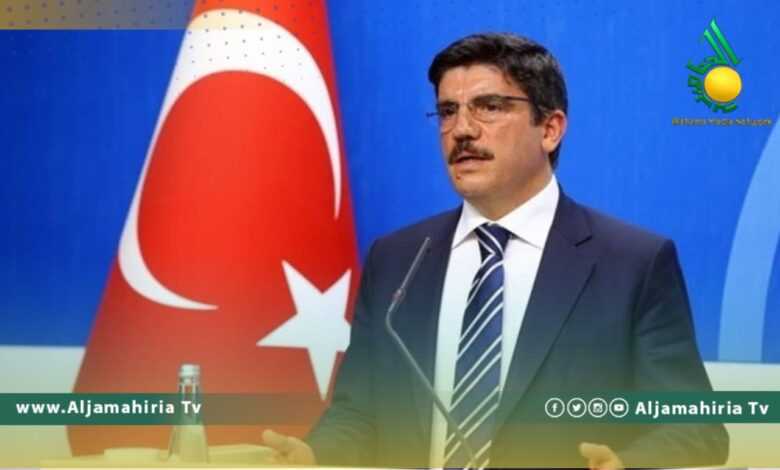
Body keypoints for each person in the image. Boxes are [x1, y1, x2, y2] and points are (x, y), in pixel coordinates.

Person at [263, 32, 729, 469]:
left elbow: (696, 428)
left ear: (550, 129)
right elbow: (359, 413)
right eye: (447, 111)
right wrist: (314, 456)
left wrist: (625, 463)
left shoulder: (632, 263)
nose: (461, 130)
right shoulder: (398, 259)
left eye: (488, 107)